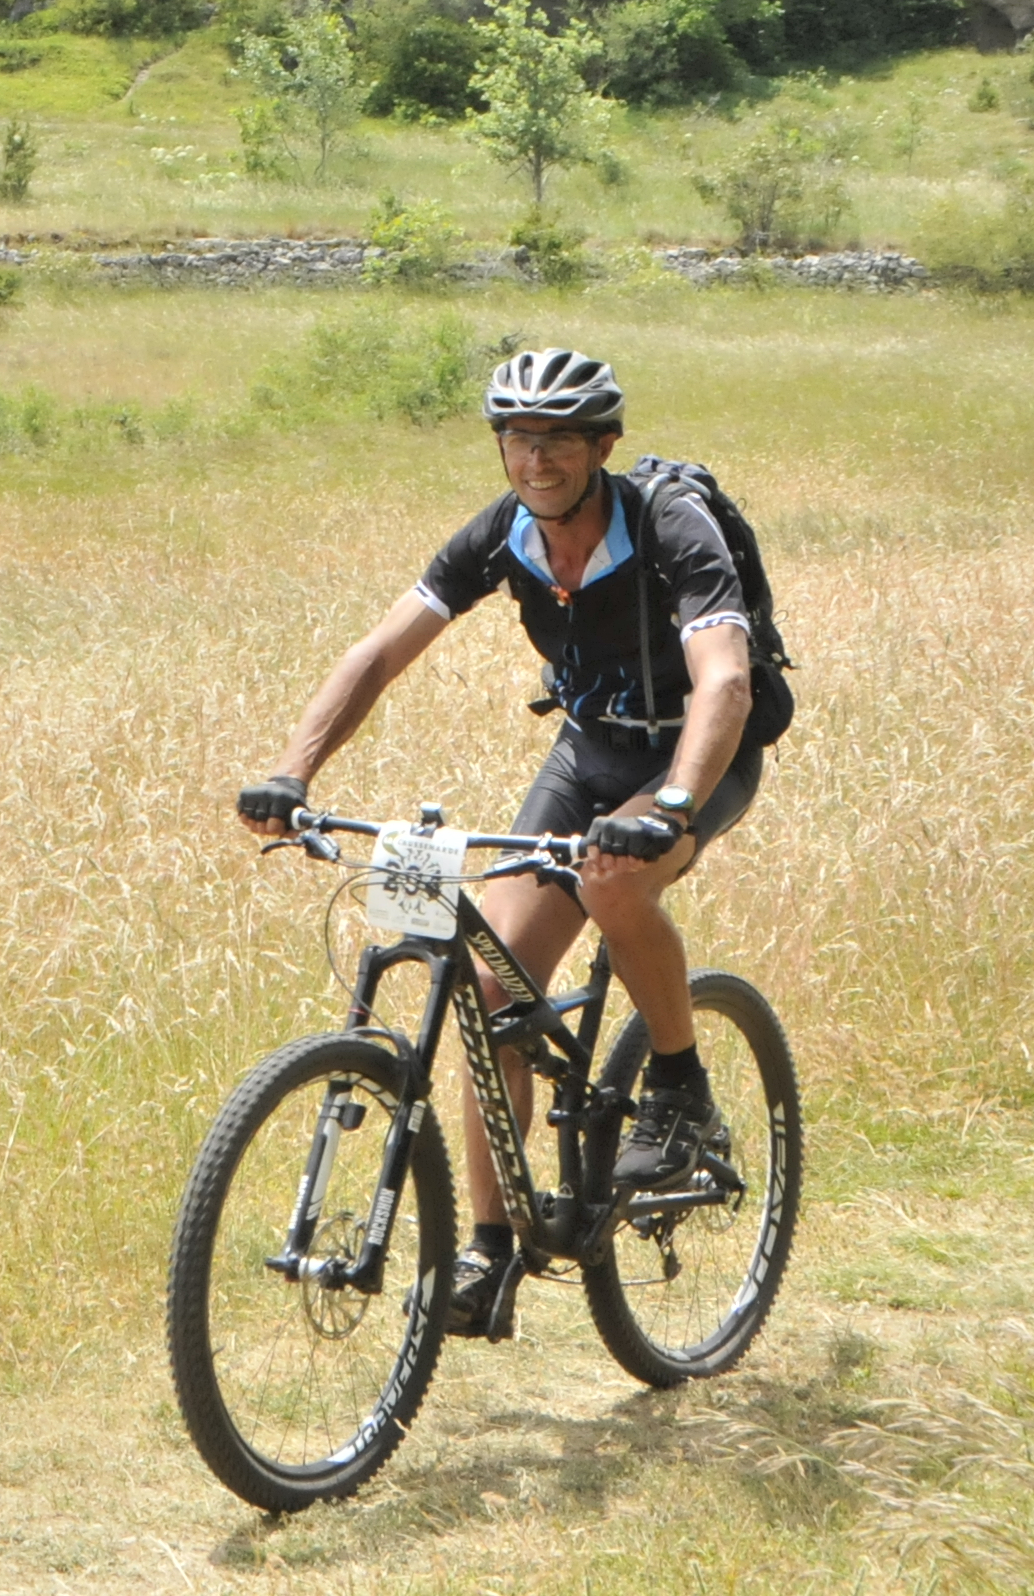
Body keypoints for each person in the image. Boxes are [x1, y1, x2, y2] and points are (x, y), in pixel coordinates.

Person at [229, 346, 792, 1342]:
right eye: (517, 438)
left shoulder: (669, 524)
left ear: (600, 446)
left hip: (694, 757)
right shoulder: (504, 535)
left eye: (559, 439)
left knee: (616, 882)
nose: (535, 458)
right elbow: (378, 653)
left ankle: (678, 1092)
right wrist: (292, 770)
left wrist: (667, 803)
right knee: (489, 990)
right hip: (587, 757)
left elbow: (726, 684)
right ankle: (490, 1249)